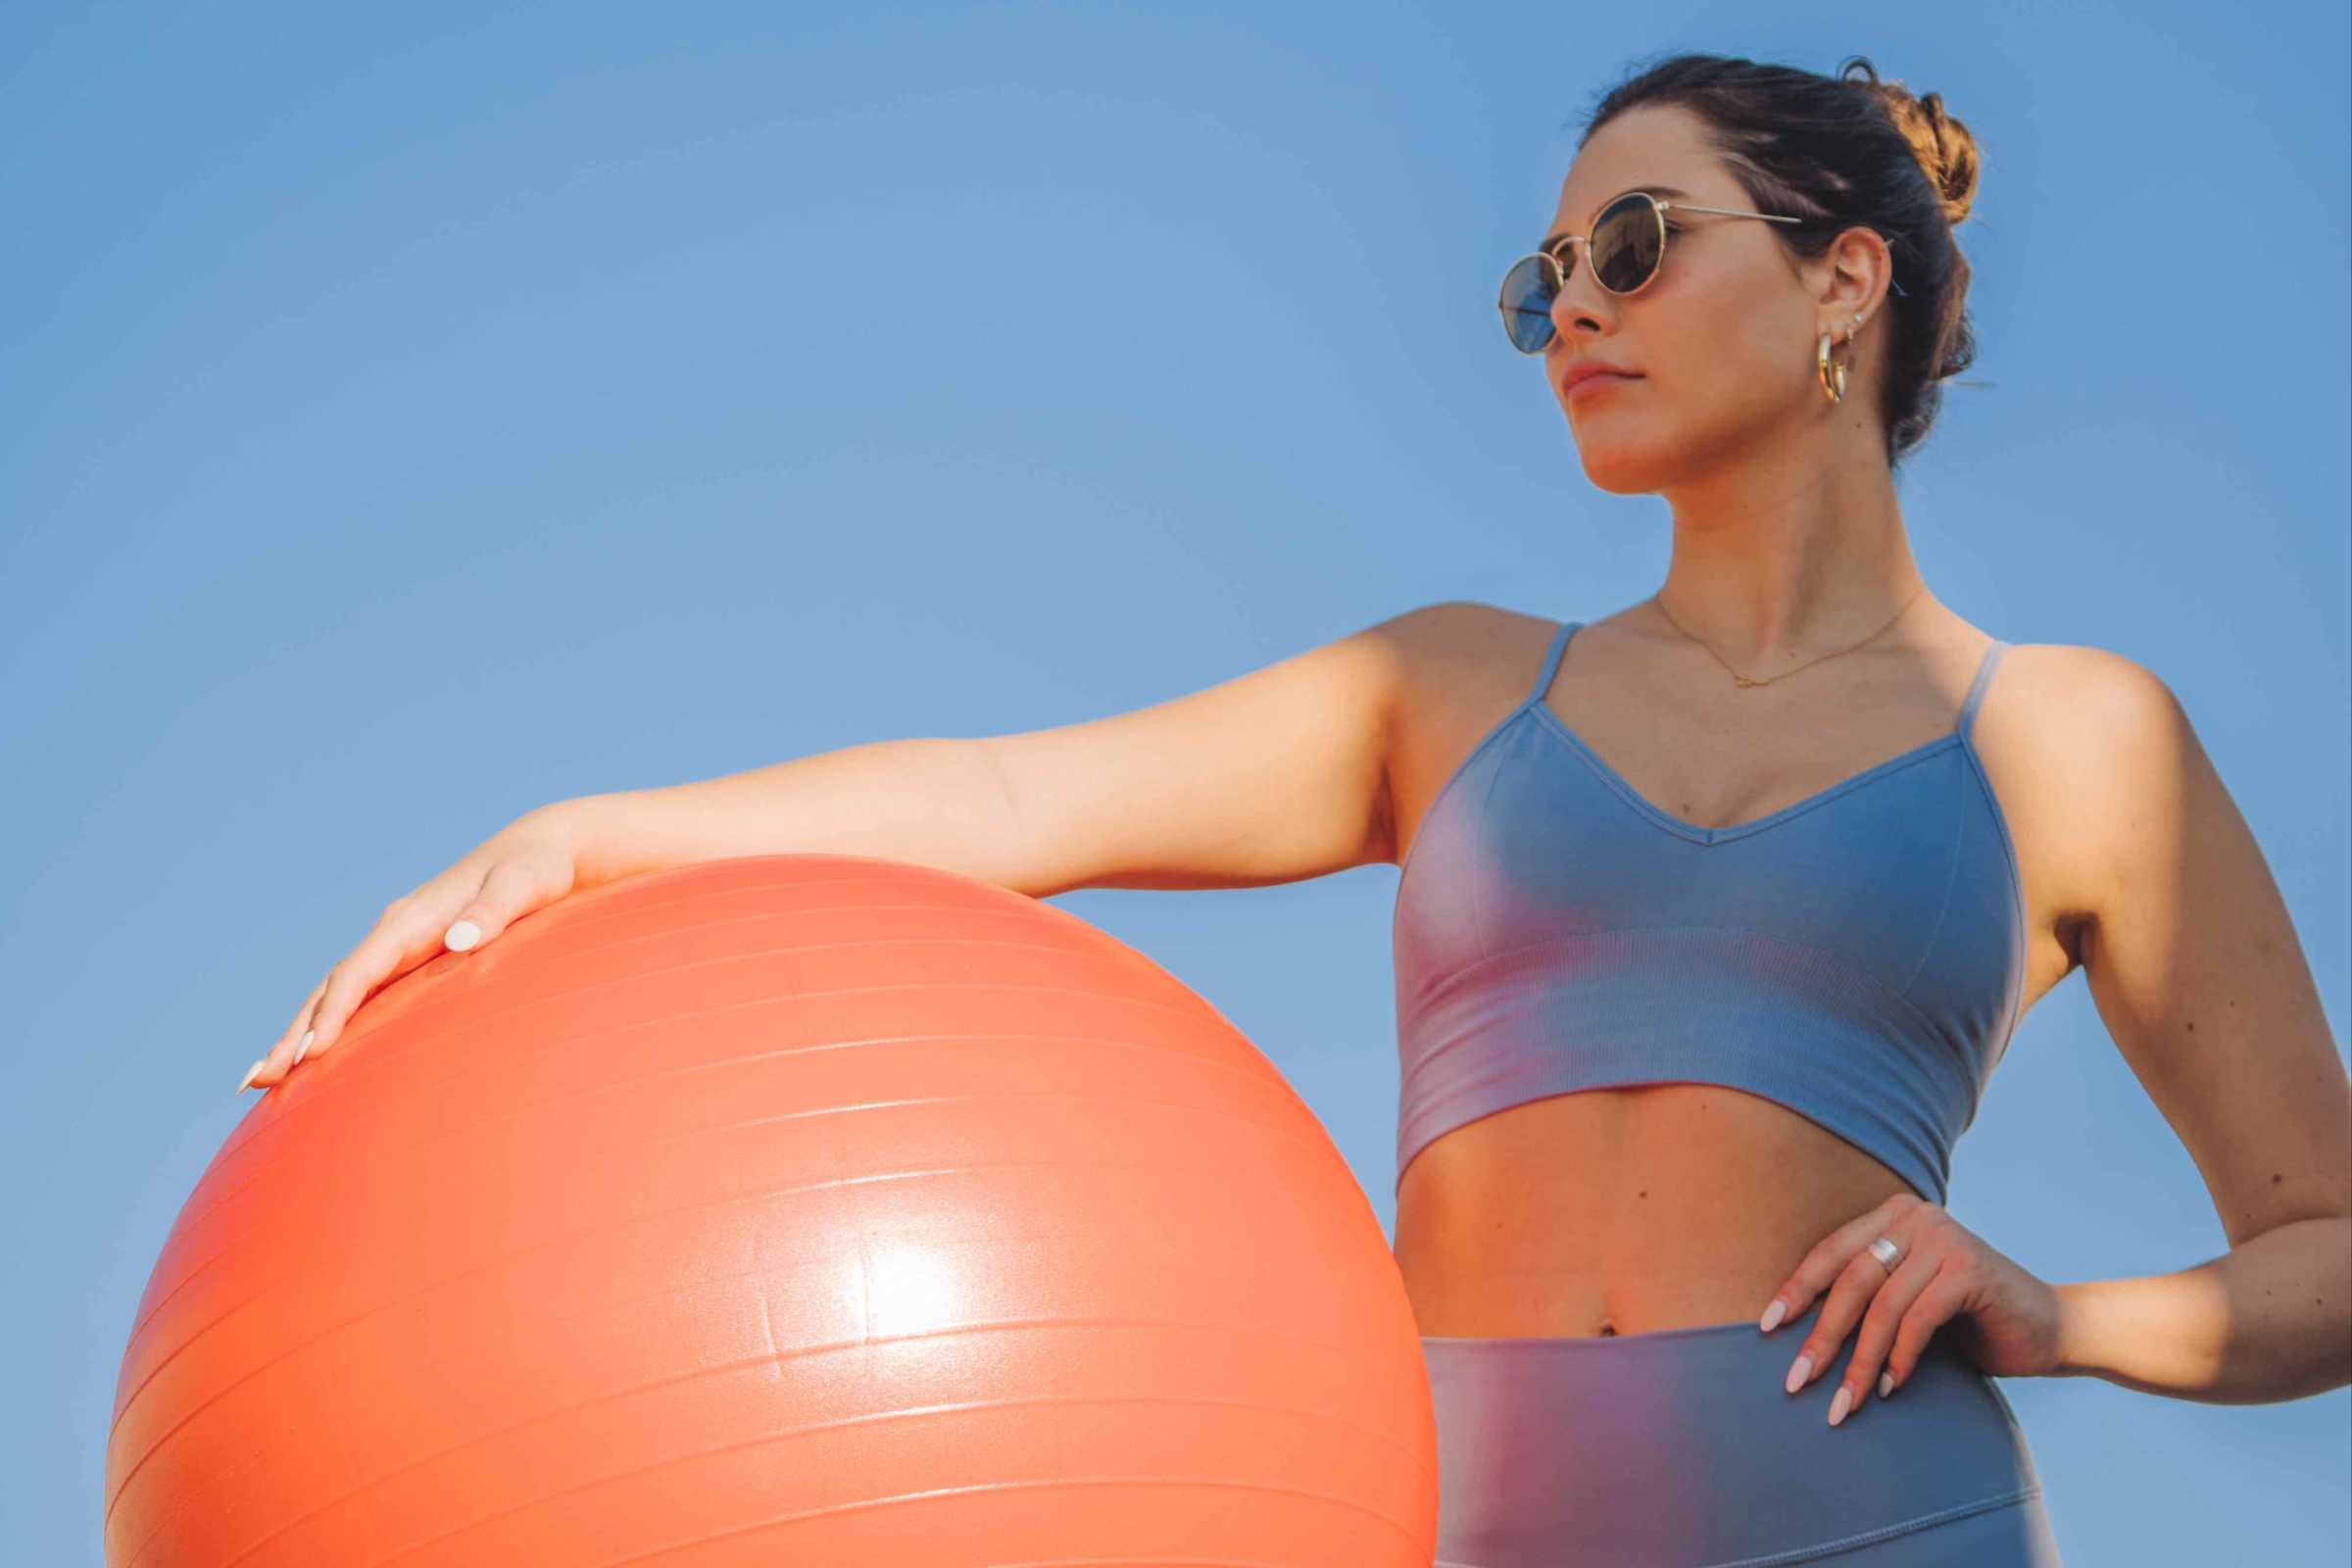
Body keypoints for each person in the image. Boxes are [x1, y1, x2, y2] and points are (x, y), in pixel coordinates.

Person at [238, 49, 2351, 1568]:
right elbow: (1011, 793)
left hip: (1881, 1513)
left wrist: (2063, 1313)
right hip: (1434, 1520)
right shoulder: (1451, 686)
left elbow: (2331, 1252)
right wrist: (599, 831)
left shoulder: (2079, 737)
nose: (1574, 313)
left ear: (1843, 282)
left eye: (1631, 241)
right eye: (1543, 283)